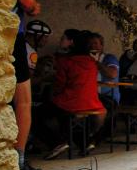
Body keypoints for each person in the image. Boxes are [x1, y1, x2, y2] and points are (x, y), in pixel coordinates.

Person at [35, 31, 106, 159]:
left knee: (35, 114)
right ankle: (85, 143)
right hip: (92, 103)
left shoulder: (66, 62)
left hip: (70, 102)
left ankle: (56, 143)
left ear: (73, 44)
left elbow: (59, 85)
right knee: (64, 116)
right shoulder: (92, 62)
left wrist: (53, 90)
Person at [7, 0, 43, 170]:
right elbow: (28, 2)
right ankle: (18, 162)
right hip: (10, 36)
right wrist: (34, 5)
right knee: (23, 101)